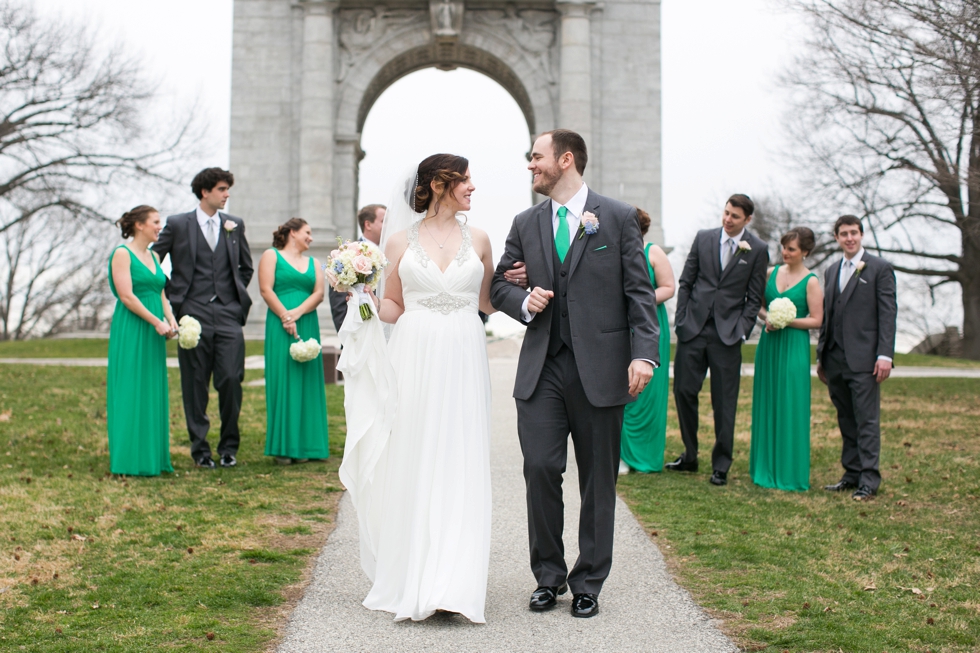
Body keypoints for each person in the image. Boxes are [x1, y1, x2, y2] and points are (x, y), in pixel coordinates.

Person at [491, 129, 660, 619]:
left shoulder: (619, 217)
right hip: (542, 365)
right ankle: (548, 576)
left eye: (536, 157)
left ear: (566, 160)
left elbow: (639, 293)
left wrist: (643, 354)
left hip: (602, 367)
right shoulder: (525, 222)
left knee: (597, 479)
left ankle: (589, 581)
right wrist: (522, 299)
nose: (530, 166)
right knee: (541, 469)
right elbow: (501, 280)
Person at [340, 154, 497, 623]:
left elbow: (487, 301)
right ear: (438, 184)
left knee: (460, 458)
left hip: (465, 355)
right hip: (414, 355)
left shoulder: (483, 239)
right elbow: (392, 306)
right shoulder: (398, 240)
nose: (472, 187)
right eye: (465, 179)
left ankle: (455, 583)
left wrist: (521, 286)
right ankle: (414, 575)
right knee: (416, 454)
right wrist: (362, 300)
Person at [153, 168, 254, 469]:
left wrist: (233, 300)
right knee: (195, 384)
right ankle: (200, 451)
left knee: (231, 379)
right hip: (191, 315)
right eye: (222, 189)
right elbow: (152, 263)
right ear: (204, 192)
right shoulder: (177, 225)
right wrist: (174, 297)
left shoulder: (234, 225)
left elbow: (245, 268)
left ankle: (229, 448)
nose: (227, 195)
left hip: (228, 315)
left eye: (227, 189)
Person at [667, 194, 769, 486]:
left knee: (725, 401)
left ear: (747, 220)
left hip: (728, 335)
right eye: (726, 213)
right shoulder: (704, 238)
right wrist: (683, 320)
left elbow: (754, 297)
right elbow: (687, 281)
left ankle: (721, 465)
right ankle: (689, 455)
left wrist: (741, 330)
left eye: (735, 216)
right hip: (693, 330)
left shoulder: (758, 250)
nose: (727, 219)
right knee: (684, 392)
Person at [816, 215, 897, 500]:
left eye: (854, 232)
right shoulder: (831, 270)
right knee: (846, 418)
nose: (849, 238)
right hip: (834, 357)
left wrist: (885, 354)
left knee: (866, 421)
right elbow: (829, 316)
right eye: (843, 233)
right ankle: (851, 474)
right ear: (837, 238)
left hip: (865, 359)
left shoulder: (880, 268)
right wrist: (821, 356)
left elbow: (888, 314)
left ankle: (869, 480)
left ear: (861, 235)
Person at [750, 228, 824, 491]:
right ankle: (765, 466)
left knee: (790, 403)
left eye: (791, 249)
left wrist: (787, 321)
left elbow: (817, 319)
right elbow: (758, 304)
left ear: (805, 251)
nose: (785, 253)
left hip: (794, 347)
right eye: (783, 247)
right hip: (769, 345)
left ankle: (789, 470)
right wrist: (768, 317)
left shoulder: (811, 281)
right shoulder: (771, 273)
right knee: (768, 401)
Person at [107, 205, 177, 476]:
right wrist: (156, 321)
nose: (160, 226)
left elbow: (159, 292)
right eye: (156, 222)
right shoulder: (122, 254)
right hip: (134, 328)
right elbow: (126, 296)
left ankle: (151, 458)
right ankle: (127, 461)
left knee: (150, 389)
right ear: (139, 225)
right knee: (130, 389)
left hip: (154, 330)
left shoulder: (153, 256)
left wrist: (170, 318)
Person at [258, 218, 329, 465]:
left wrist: (296, 313)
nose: (310, 237)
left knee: (308, 380)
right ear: (292, 232)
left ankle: (308, 445)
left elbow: (319, 294)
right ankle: (284, 446)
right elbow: (266, 289)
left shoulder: (314, 263)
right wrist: (285, 315)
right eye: (307, 232)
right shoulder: (271, 255)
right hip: (279, 324)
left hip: (307, 322)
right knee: (283, 379)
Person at [619, 207, 675, 475]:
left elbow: (668, 287)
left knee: (648, 392)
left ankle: (646, 457)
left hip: (649, 322)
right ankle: (622, 455)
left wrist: (639, 300)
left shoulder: (653, 251)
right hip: (621, 326)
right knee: (622, 388)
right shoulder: (614, 250)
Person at [329, 204, 385, 332]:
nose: (389, 225)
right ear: (368, 225)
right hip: (359, 334)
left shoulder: (392, 251)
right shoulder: (347, 254)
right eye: (383, 221)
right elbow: (339, 304)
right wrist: (350, 337)